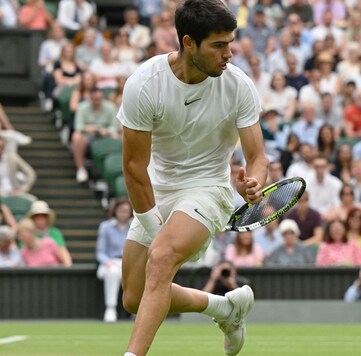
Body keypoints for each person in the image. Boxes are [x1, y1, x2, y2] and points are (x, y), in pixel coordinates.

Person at [117, 1, 269, 355]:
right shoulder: (144, 84)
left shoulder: (239, 86)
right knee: (134, 297)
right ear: (189, 43)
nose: (228, 54)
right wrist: (153, 225)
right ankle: (224, 308)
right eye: (218, 45)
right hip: (156, 188)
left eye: (230, 43)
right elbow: (134, 168)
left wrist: (255, 182)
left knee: (162, 259)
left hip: (208, 189)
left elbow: (257, 157)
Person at [96, 199, 133, 323]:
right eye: (121, 210)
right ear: (115, 211)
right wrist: (108, 262)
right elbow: (100, 252)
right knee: (112, 272)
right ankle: (110, 309)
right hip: (111, 262)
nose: (123, 214)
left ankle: (137, 310)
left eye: (126, 211)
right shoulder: (105, 227)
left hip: (130, 263)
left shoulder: (135, 226)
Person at [27, 200, 72, 266]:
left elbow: (63, 251)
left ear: (47, 217)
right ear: (32, 218)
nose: (40, 218)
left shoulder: (55, 233)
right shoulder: (28, 233)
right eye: (37, 216)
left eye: (43, 215)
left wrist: (68, 268)